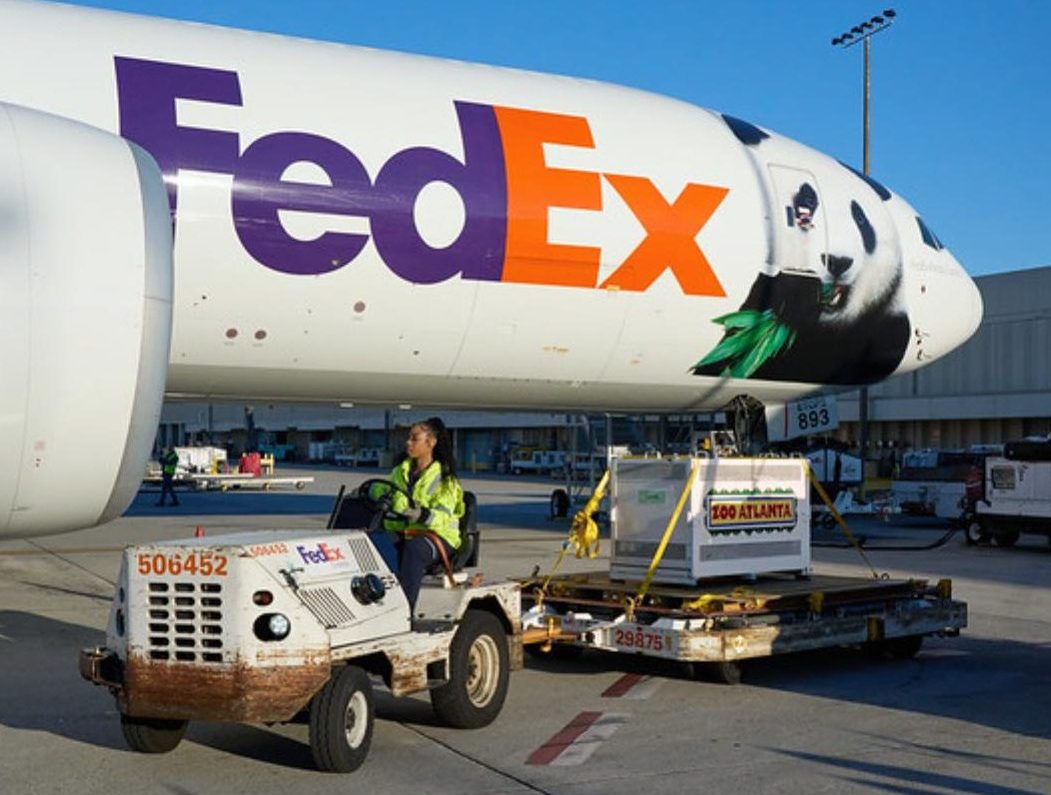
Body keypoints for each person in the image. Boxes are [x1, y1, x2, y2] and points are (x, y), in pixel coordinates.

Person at [379, 417, 464, 613]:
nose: (408, 443)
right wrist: (370, 492)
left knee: (414, 550)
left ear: (431, 443)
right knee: (373, 544)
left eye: (414, 438)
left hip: (438, 537)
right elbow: (382, 488)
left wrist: (418, 514)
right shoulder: (400, 471)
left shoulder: (445, 479)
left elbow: (442, 517)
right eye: (409, 438)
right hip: (406, 531)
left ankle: (404, 610)